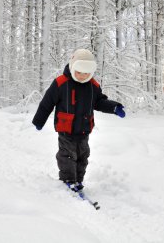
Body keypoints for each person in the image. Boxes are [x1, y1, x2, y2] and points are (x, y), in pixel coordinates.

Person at [32, 49, 125, 192]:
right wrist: (39, 121)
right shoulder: (61, 83)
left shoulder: (93, 86)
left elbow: (99, 102)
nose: (83, 76)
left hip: (84, 130)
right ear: (73, 67)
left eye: (87, 73)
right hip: (66, 130)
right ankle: (68, 180)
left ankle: (78, 180)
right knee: (67, 155)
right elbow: (47, 103)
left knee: (83, 156)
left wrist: (114, 108)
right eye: (79, 72)